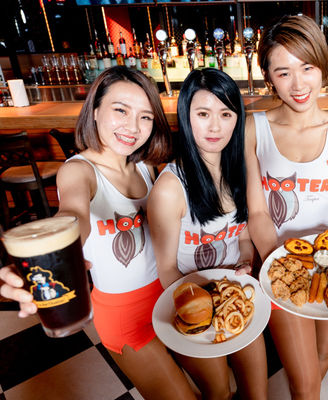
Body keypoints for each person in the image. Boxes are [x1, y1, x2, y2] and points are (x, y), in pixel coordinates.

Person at [0, 66, 197, 400]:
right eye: (121, 110)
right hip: (123, 315)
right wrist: (44, 259)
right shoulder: (79, 171)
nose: (133, 127)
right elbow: (73, 216)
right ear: (94, 111)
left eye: (145, 117)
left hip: (168, 295)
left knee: (222, 386)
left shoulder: (146, 166)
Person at [245, 15, 328, 400]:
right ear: (268, 76)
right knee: (306, 384)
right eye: (283, 72)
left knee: (323, 353)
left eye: (307, 68)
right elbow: (257, 213)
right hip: (279, 266)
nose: (298, 85)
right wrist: (283, 268)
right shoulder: (253, 129)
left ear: (323, 67)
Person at [147, 68, 267, 400]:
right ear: (186, 117)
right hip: (191, 305)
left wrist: (245, 262)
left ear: (237, 119)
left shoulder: (240, 171)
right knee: (220, 392)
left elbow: (242, 236)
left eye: (226, 114)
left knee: (258, 393)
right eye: (203, 114)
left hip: (237, 297)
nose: (215, 126)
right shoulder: (171, 188)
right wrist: (211, 301)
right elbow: (166, 269)